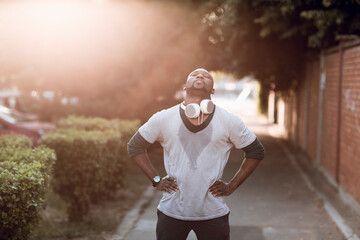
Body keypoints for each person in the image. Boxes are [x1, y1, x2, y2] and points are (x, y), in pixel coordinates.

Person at [127, 68, 265, 240]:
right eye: (194, 74)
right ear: (185, 86)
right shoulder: (163, 118)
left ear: (212, 90)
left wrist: (232, 186)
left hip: (213, 214)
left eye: (206, 76)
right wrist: (156, 180)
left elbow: (256, 151)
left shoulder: (229, 120)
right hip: (171, 213)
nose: (200, 76)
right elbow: (135, 146)